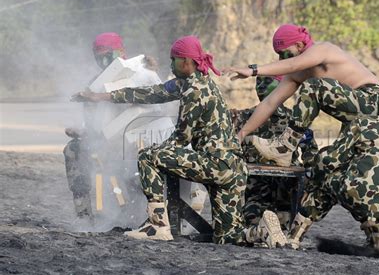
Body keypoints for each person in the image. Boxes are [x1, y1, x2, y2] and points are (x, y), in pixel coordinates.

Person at [72, 36, 287, 247]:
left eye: (173, 60)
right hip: (233, 168)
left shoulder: (195, 91)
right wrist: (101, 97)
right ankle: (261, 232)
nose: (170, 64)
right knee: (227, 237)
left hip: (214, 164)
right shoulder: (194, 83)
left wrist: (154, 155)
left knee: (148, 156)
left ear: (186, 62)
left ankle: (158, 225)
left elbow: (181, 137)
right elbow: (150, 93)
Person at [225, 24, 379, 250]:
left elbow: (292, 64)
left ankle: (285, 146)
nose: (281, 59)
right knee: (335, 170)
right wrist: (241, 133)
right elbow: (270, 103)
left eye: (284, 52)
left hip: (372, 103)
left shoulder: (323, 50)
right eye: (278, 55)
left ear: (301, 44)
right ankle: (376, 232)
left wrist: (252, 70)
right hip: (355, 123)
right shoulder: (297, 74)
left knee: (313, 87)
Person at [304, 79, 379, 262]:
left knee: (328, 178)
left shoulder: (363, 123)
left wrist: (312, 172)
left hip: (354, 193)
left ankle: (295, 234)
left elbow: (331, 160)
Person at [64, 32, 170, 221]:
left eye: (108, 55)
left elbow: (160, 109)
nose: (104, 61)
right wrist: (82, 131)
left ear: (121, 52)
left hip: (141, 140)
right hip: (107, 144)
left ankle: (146, 215)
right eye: (99, 57)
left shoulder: (144, 74)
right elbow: (92, 123)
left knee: (137, 157)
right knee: (73, 150)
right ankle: (84, 216)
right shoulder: (95, 85)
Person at [233, 76, 313, 231]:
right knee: (254, 224)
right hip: (256, 192)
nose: (261, 86)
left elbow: (310, 150)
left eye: (267, 81)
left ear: (282, 86)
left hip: (286, 194)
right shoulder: (244, 118)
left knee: (286, 227)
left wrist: (309, 176)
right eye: (258, 82)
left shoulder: (294, 120)